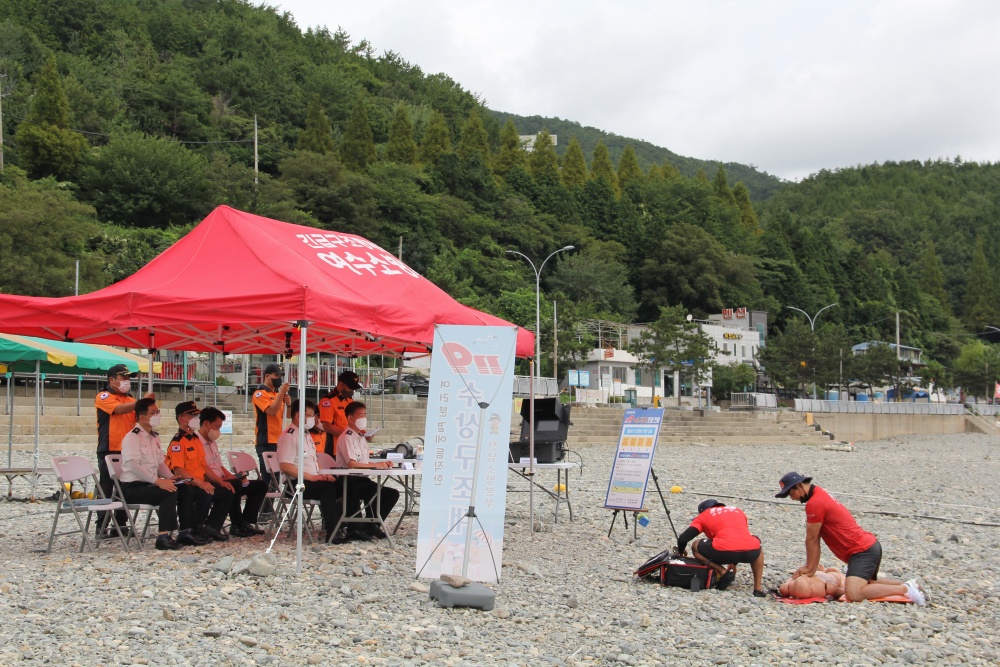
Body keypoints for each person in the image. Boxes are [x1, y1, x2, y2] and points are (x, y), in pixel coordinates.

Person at [775, 471, 926, 605]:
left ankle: (906, 589)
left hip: (862, 551)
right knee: (870, 583)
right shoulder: (820, 494)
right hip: (869, 546)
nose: (791, 498)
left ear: (799, 486)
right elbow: (815, 539)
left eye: (790, 493)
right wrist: (811, 569)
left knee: (854, 593)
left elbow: (812, 539)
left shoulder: (815, 503)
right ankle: (911, 585)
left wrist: (809, 568)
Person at [119, 398, 199, 550]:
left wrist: (170, 477)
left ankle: (185, 532)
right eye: (153, 413)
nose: (157, 415)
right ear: (142, 417)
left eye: (158, 412)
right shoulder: (132, 437)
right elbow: (133, 465)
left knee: (185, 488)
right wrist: (158, 481)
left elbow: (160, 462)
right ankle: (163, 536)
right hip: (133, 487)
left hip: (150, 483)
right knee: (167, 492)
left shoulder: (155, 437)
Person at [94, 364, 153, 536]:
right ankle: (101, 525)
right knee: (106, 487)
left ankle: (120, 524)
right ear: (112, 379)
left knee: (126, 486)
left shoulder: (129, 399)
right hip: (110, 448)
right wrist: (141, 403)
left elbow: (138, 416)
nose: (127, 381)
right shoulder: (104, 396)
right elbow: (118, 410)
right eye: (123, 378)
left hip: (128, 450)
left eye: (128, 378)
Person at [194, 406, 267, 537]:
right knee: (234, 485)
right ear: (206, 424)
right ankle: (236, 524)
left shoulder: (212, 443)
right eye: (216, 427)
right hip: (211, 481)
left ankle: (245, 521)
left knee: (260, 485)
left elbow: (220, 467)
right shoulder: (195, 442)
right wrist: (225, 480)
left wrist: (235, 476)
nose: (218, 431)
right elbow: (203, 469)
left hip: (221, 478)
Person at [276, 400, 343, 543]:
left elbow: (312, 462)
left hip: (311, 479)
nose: (313, 419)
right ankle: (333, 532)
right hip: (295, 484)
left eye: (313, 415)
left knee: (344, 485)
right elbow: (285, 466)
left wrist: (321, 475)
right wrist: (312, 478)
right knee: (328, 489)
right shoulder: (290, 436)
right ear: (298, 415)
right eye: (310, 415)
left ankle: (353, 526)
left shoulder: (306, 434)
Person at [165, 401, 233, 541]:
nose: (197, 419)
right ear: (182, 419)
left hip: (200, 482)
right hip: (188, 484)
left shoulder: (195, 439)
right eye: (193, 415)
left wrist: (220, 481)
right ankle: (193, 529)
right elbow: (178, 470)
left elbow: (204, 466)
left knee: (226, 491)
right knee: (204, 493)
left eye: (197, 415)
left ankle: (210, 527)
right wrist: (200, 483)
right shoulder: (178, 442)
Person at [334, 401, 399, 538]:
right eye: (360, 415)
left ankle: (372, 525)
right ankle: (357, 528)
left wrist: (382, 463)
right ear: (351, 418)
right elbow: (352, 464)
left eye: (365, 415)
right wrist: (376, 466)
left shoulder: (361, 437)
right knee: (367, 491)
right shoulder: (346, 437)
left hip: (362, 478)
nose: (364, 418)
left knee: (391, 494)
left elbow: (363, 462)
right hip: (348, 480)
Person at [676, 499, 766, 597]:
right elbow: (737, 537)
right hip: (750, 552)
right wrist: (733, 561)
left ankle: (723, 572)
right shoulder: (737, 511)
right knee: (757, 546)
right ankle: (758, 589)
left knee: (695, 545)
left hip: (722, 551)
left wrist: (681, 551)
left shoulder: (703, 516)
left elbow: (683, 539)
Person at [253, 362, 291, 476]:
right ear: (267, 376)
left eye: (280, 376)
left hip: (278, 440)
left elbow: (287, 415)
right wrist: (281, 394)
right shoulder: (259, 393)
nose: (278, 379)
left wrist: (289, 404)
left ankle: (274, 493)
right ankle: (265, 493)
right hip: (265, 440)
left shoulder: (277, 394)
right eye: (276, 375)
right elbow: (272, 411)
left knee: (277, 475)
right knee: (268, 475)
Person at [318, 371, 363, 458]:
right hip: (335, 448)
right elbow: (327, 426)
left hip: (351, 447)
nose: (352, 390)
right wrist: (349, 435)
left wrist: (361, 434)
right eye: (350, 387)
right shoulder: (328, 401)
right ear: (341, 384)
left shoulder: (350, 401)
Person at [779, 566, 846, 599]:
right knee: (835, 578)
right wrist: (842, 592)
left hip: (817, 575)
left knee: (833, 579)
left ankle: (837, 576)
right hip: (823, 577)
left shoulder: (791, 586)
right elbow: (833, 588)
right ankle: (838, 576)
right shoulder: (819, 588)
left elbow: (788, 582)